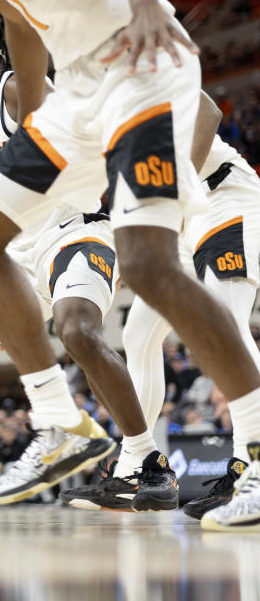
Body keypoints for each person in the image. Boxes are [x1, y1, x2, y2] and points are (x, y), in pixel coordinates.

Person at [0, 0, 260, 530]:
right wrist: (37, 110)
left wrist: (143, 0)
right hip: (74, 101)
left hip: (139, 69)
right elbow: (14, 12)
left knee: (150, 267)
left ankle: (254, 456)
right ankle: (59, 422)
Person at [0, 0, 175, 523]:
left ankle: (147, 460)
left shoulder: (18, 90)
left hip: (75, 229)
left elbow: (51, 118)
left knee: (78, 331)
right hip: (13, 255)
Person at [121, 111, 260, 522]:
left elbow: (207, 109)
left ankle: (247, 466)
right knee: (136, 334)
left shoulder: (122, 69)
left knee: (227, 328)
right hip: (178, 224)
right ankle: (138, 464)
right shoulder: (87, 126)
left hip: (221, 196)